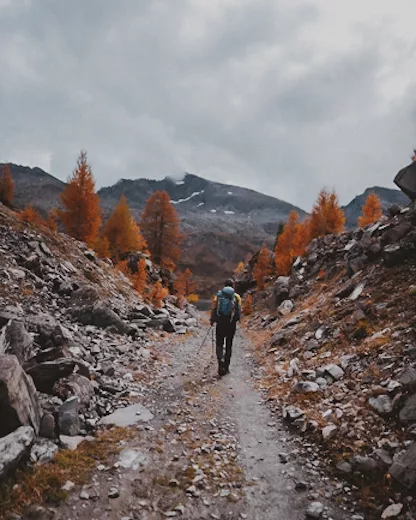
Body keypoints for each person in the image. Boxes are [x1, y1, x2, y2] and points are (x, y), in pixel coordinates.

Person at [210, 279, 241, 376]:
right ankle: (226, 367)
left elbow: (214, 308)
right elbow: (239, 310)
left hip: (220, 322)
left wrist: (212, 320)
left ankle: (220, 363)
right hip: (231, 324)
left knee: (219, 343)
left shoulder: (218, 296)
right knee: (229, 344)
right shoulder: (236, 297)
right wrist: (237, 320)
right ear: (233, 286)